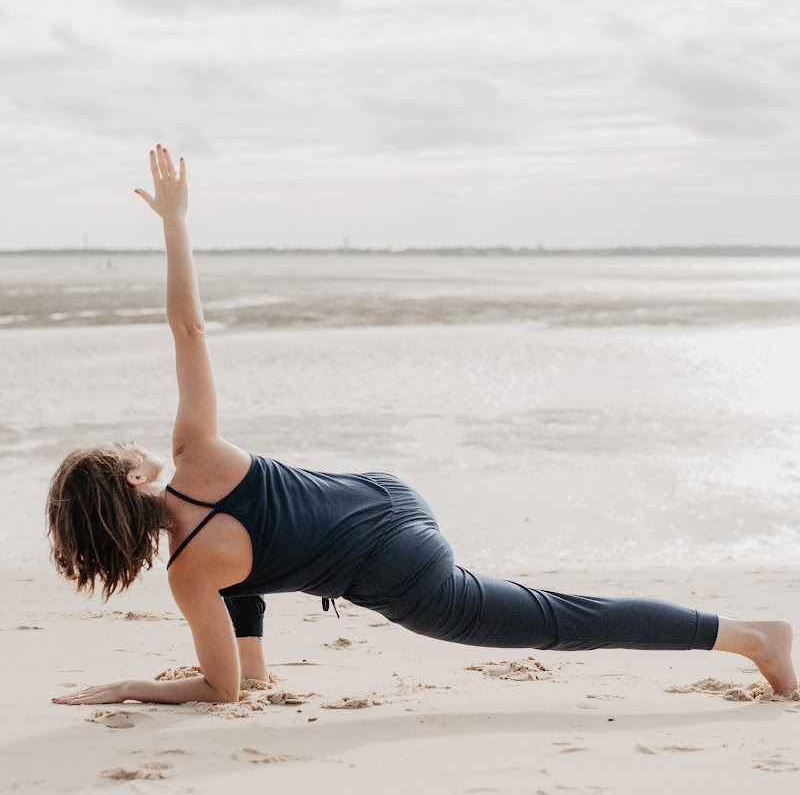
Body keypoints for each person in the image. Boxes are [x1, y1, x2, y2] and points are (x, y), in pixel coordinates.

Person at [50, 146, 796, 706]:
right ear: (133, 476)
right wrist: (177, 227)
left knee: (558, 620)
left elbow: (218, 695)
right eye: (125, 447)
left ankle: (755, 637)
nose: (136, 441)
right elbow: (189, 329)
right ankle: (753, 636)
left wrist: (130, 687)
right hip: (384, 494)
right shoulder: (197, 454)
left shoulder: (189, 572)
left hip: (405, 571)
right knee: (272, 550)